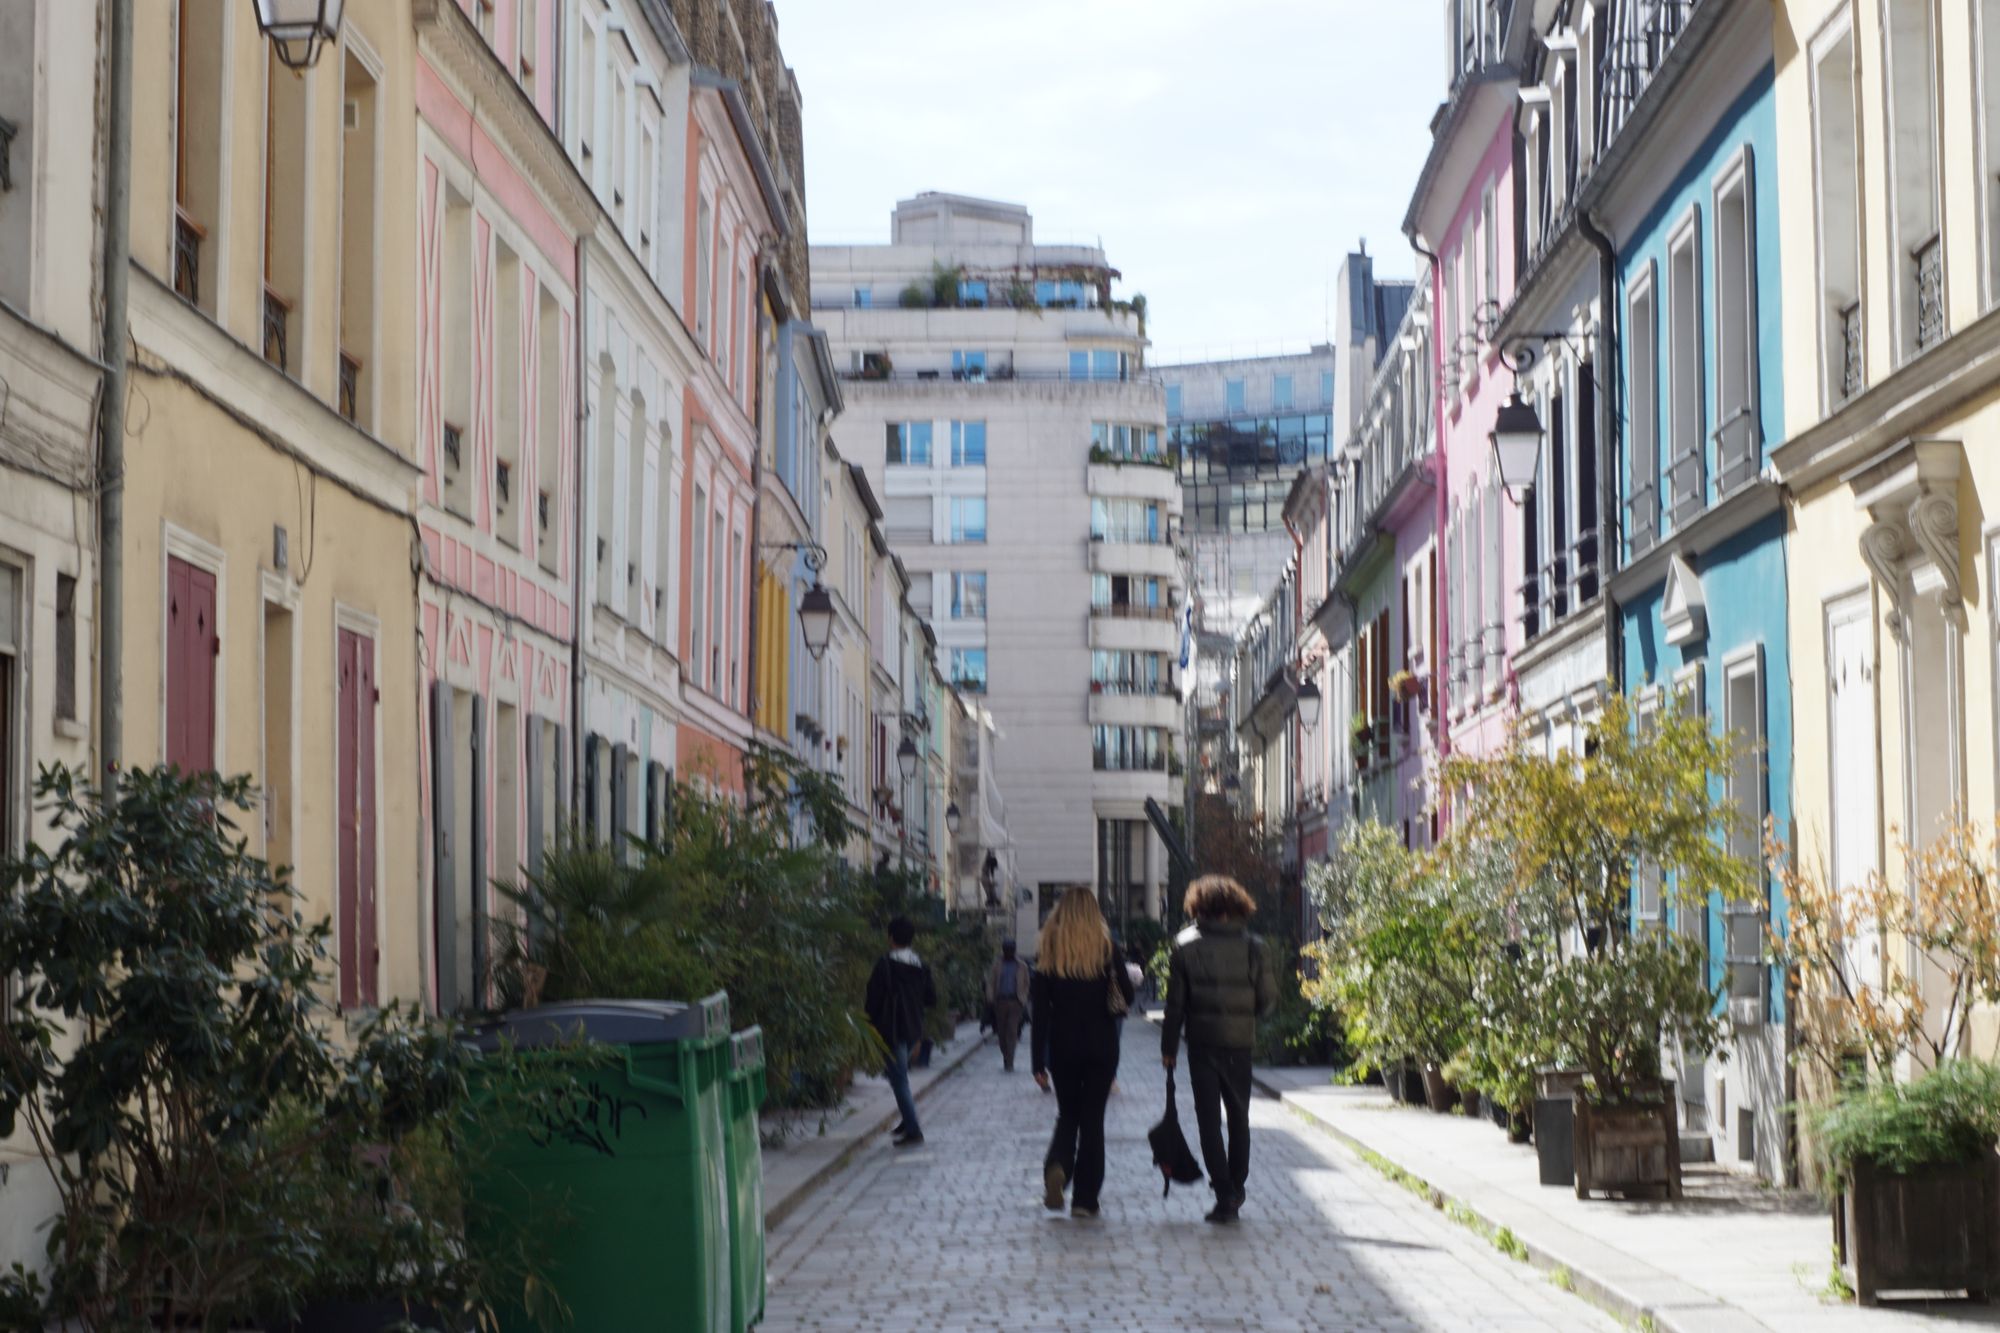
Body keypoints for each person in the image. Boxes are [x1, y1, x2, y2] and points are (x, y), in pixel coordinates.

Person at [1160, 875, 1276, 1224]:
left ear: (1199, 907)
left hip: (1202, 1045)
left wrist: (1169, 1048)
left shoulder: (1184, 947)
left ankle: (1224, 1191)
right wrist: (1246, 1014)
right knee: (1239, 1117)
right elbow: (1269, 1001)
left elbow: (1175, 1006)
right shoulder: (1256, 947)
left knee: (1208, 1122)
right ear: (1238, 906)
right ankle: (1237, 1187)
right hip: (1239, 1045)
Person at [1031, 888, 1136, 1220]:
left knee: (1068, 1115)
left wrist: (1037, 1062)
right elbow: (1128, 996)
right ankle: (1085, 1200)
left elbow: (1039, 1014)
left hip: (1063, 1046)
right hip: (1101, 1045)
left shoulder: (1049, 951)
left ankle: (1058, 1166)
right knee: (1093, 1121)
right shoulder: (1107, 950)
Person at [865, 916, 937, 1147]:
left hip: (891, 1028)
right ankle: (907, 1121)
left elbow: (873, 999)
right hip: (913, 1026)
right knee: (900, 1077)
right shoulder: (920, 965)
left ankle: (914, 1129)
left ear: (891, 938)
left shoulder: (885, 964)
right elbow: (931, 998)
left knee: (900, 1080)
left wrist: (870, 1023)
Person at [985, 939, 1029, 1072]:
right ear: (1003, 950)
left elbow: (1027, 983)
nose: (1008, 952)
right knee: (1002, 1033)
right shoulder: (997, 964)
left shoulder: (1022, 966)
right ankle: (1006, 1055)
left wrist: (1023, 998)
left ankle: (1010, 1061)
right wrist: (991, 998)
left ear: (1014, 950)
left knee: (1012, 1031)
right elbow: (991, 982)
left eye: (1011, 949)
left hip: (1016, 1002)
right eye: (1006, 949)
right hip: (1000, 1002)